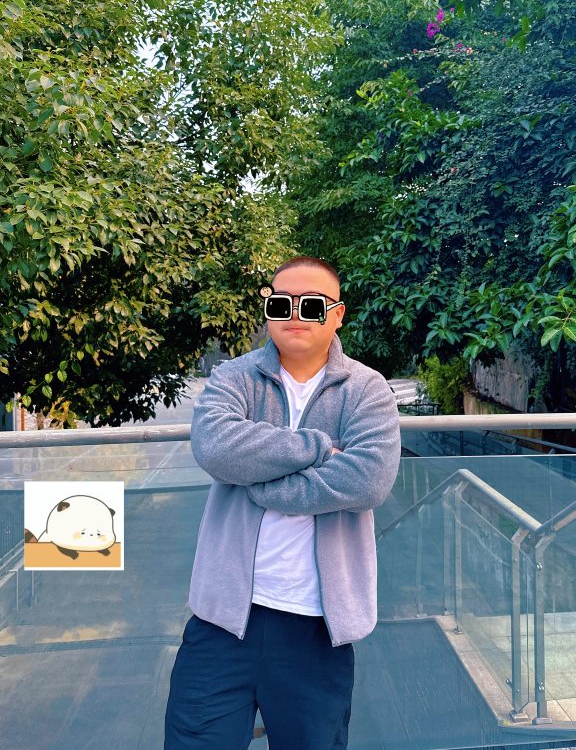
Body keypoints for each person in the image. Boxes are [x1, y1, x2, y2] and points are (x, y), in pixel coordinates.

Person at [164, 256, 401, 750]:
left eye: (312, 305)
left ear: (337, 315)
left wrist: (265, 486)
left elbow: (369, 479)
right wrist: (319, 447)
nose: (295, 314)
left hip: (317, 628)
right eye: (282, 303)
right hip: (222, 622)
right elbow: (216, 447)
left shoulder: (366, 389)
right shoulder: (234, 376)